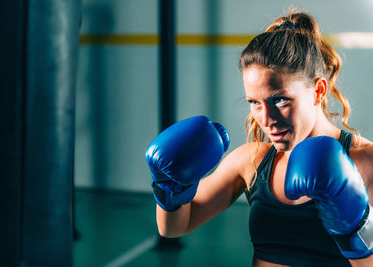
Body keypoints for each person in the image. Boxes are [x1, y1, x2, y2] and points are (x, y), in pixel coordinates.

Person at [145, 10, 373, 267]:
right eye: (254, 102)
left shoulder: (366, 162)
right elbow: (175, 227)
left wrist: (355, 225)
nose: (266, 119)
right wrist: (169, 187)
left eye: (280, 100)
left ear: (318, 90)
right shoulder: (252, 160)